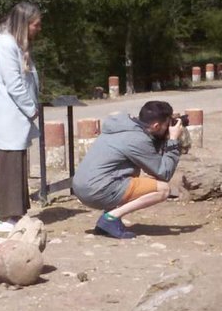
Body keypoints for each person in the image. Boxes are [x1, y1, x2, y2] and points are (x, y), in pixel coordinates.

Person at [72, 101, 184, 239]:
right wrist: (173, 140)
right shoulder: (137, 139)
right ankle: (110, 218)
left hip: (82, 186)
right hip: (96, 190)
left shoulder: (122, 126)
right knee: (163, 189)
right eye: (167, 124)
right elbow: (164, 172)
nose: (169, 128)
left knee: (130, 173)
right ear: (155, 126)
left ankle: (108, 220)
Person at [0, 2, 42, 232]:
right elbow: (15, 85)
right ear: (24, 23)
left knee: (18, 164)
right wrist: (31, 108)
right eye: (35, 25)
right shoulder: (6, 45)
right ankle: (7, 217)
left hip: (16, 117)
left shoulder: (15, 44)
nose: (38, 30)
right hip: (9, 116)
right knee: (10, 165)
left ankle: (17, 212)